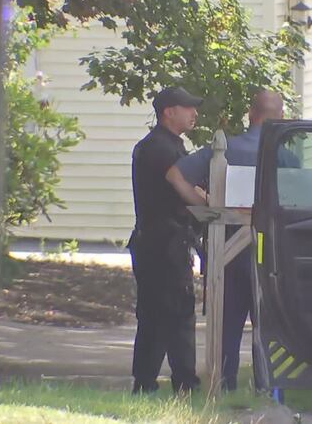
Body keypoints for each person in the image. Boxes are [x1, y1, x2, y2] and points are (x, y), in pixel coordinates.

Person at [165, 90, 297, 391]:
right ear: (280, 118)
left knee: (227, 326)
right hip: (270, 255)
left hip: (226, 251)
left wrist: (207, 209)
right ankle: (267, 389)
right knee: (268, 327)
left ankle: (224, 386)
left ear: (251, 114)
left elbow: (174, 175)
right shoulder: (287, 157)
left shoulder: (226, 149)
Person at [128, 86, 204, 394]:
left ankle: (147, 382)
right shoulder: (161, 148)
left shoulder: (161, 145)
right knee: (174, 312)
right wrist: (211, 207)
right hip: (164, 243)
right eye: (188, 107)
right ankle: (183, 383)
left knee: (157, 313)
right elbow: (184, 187)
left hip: (156, 242)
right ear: (169, 112)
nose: (194, 113)